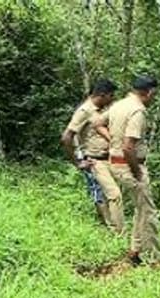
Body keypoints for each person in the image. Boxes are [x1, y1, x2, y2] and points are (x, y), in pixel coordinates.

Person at [104, 75, 160, 265]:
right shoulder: (138, 111)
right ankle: (153, 257)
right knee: (148, 211)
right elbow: (129, 147)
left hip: (115, 163)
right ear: (149, 92)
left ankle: (135, 251)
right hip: (128, 165)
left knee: (140, 208)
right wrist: (137, 171)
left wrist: (112, 141)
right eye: (154, 94)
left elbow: (97, 124)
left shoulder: (118, 105)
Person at [60, 79, 118, 227]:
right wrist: (78, 162)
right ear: (102, 95)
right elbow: (67, 137)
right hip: (91, 159)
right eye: (111, 96)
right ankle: (108, 227)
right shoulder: (85, 111)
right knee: (99, 193)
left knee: (109, 194)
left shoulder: (102, 110)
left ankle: (112, 225)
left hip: (105, 158)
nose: (113, 99)